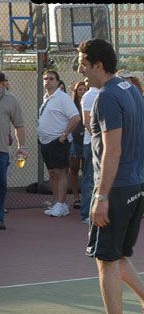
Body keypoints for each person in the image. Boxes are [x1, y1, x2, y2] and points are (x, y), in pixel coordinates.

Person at [79, 38, 144, 314]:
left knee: (105, 261)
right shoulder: (133, 92)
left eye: (84, 65)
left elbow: (112, 149)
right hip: (137, 186)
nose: (81, 71)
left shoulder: (105, 99)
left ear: (98, 65)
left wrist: (101, 196)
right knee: (117, 255)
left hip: (115, 191)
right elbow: (143, 143)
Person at [39, 70, 81, 217]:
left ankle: (61, 203)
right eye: (45, 79)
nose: (47, 81)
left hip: (58, 142)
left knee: (60, 172)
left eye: (51, 79)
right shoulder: (47, 98)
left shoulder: (63, 98)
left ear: (58, 82)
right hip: (45, 142)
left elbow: (75, 118)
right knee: (51, 173)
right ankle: (58, 203)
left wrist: (64, 135)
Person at [0, 71, 26, 230]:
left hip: (2, 150)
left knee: (2, 184)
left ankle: (0, 218)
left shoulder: (11, 100)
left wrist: (21, 147)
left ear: (2, 84)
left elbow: (19, 126)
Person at [79, 82, 99, 225]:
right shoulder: (89, 96)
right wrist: (101, 141)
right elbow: (87, 122)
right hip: (93, 144)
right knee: (90, 179)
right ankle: (86, 213)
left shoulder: (108, 92)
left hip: (107, 145)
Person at [68, 81, 88, 211]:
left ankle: (86, 198)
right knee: (74, 170)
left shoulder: (90, 102)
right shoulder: (72, 105)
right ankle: (76, 198)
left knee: (86, 171)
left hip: (86, 141)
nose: (82, 91)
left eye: (84, 89)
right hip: (74, 141)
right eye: (80, 89)